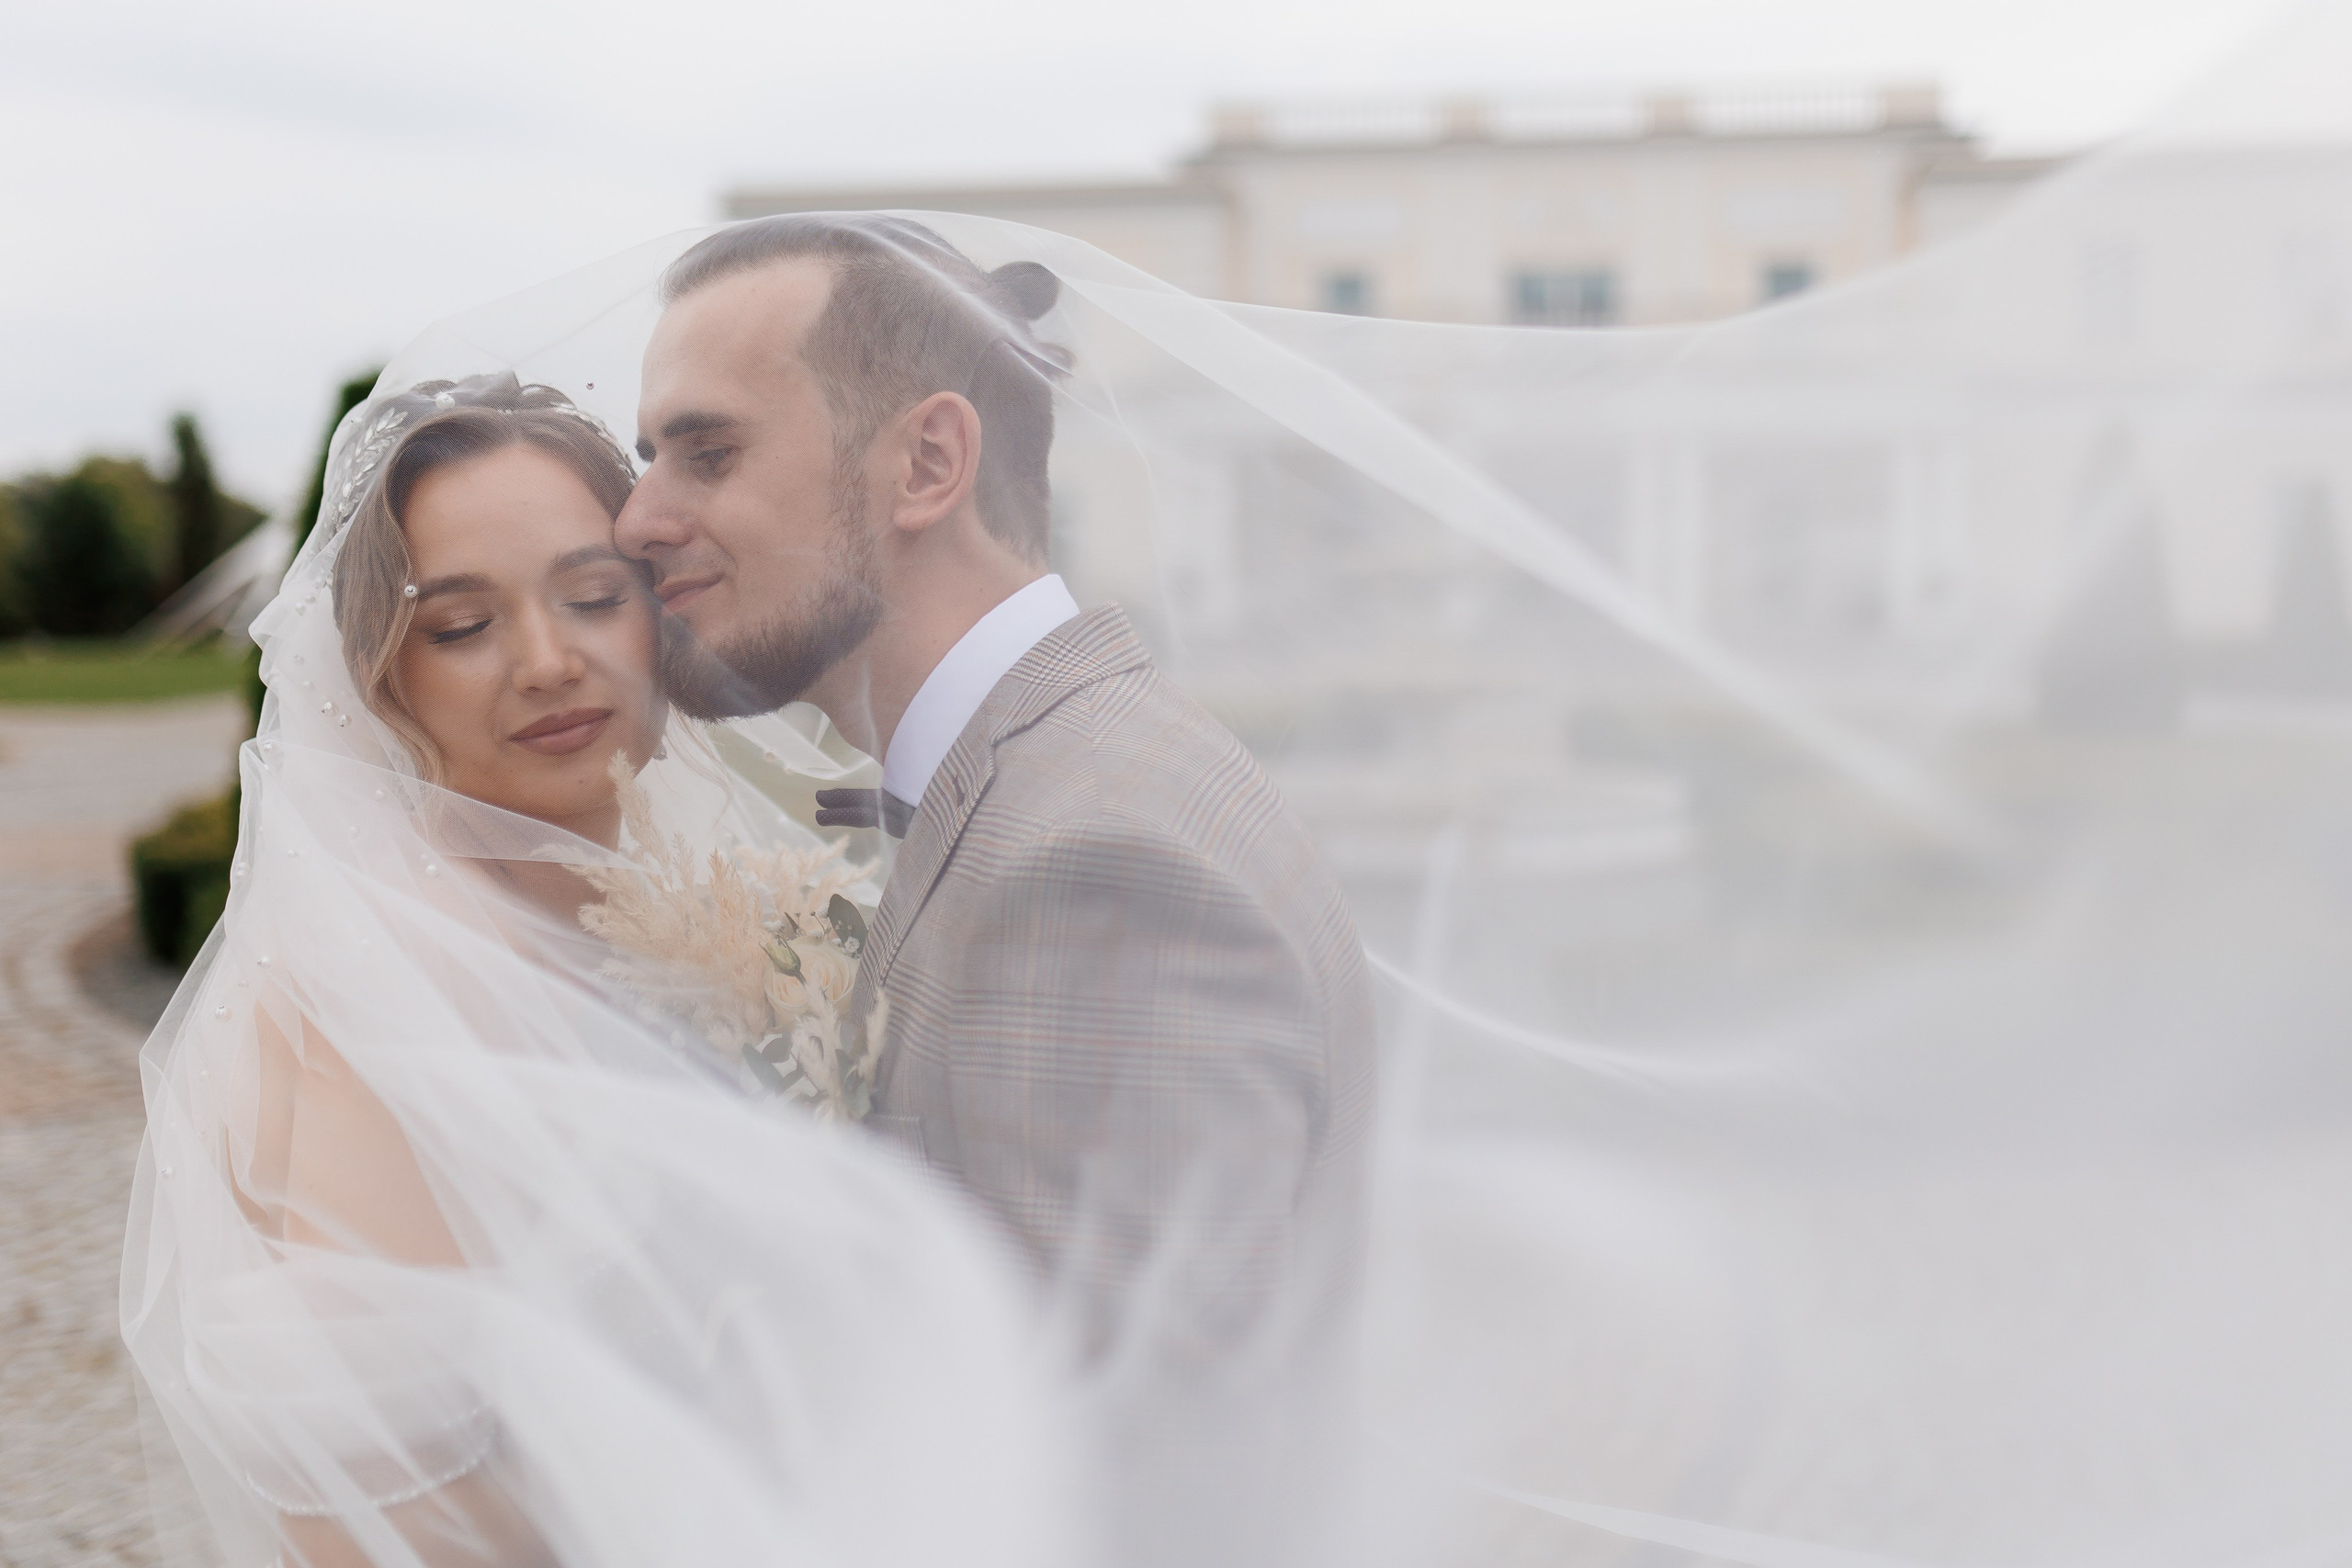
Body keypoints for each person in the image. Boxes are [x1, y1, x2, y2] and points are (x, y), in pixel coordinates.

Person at [124, 375, 1062, 1568]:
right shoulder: (397, 990)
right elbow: (367, 1509)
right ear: (377, 677)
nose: (549, 660)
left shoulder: (700, 913)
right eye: (462, 624)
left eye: (591, 595)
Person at [615, 214, 1378, 1562]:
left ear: (926, 464)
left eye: (709, 452)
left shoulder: (1090, 873)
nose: (639, 520)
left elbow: (1145, 1503)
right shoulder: (1067, 770)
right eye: (646, 458)